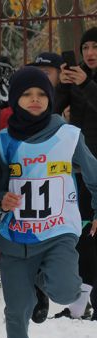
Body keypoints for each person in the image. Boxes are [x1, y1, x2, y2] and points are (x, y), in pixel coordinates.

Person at [0, 66, 97, 338]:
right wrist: (0, 197)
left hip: (58, 232)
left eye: (42, 94)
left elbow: (94, 174)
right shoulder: (2, 141)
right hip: (15, 236)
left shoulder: (68, 134)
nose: (35, 99)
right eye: (27, 94)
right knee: (16, 309)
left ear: (51, 98)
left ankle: (42, 282)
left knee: (67, 291)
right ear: (15, 99)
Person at [54, 27, 97, 321]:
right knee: (82, 234)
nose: (90, 53)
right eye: (86, 48)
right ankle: (80, 303)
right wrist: (62, 83)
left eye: (95, 47)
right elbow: (53, 112)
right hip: (79, 168)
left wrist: (87, 85)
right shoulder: (78, 77)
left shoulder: (87, 81)